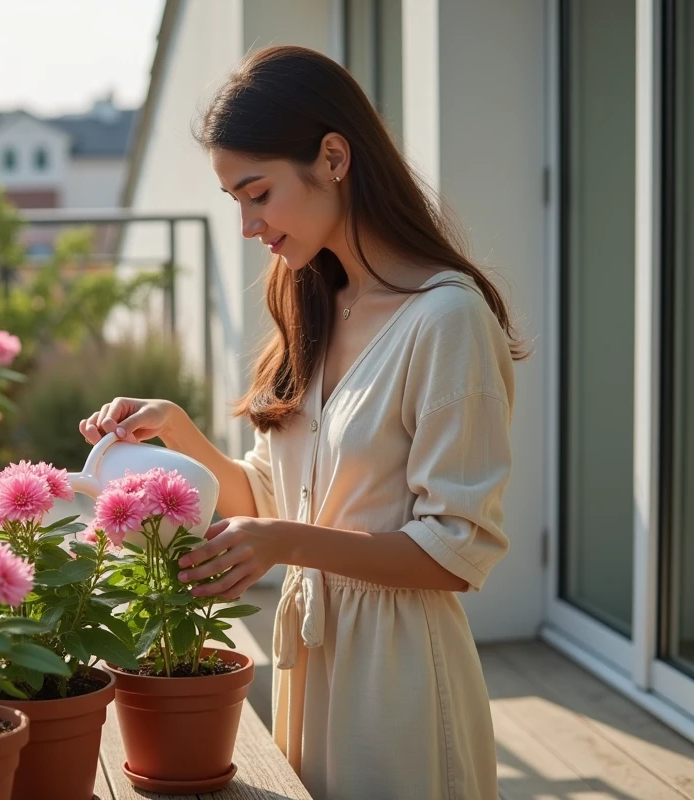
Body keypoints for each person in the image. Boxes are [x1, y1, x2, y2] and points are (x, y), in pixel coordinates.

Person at [79, 45, 525, 800]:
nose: (250, 226)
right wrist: (178, 431)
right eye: (236, 202)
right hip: (308, 666)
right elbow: (266, 497)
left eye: (259, 194)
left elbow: (457, 552)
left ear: (333, 157)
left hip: (400, 679)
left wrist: (286, 544)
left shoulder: (447, 318)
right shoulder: (310, 295)